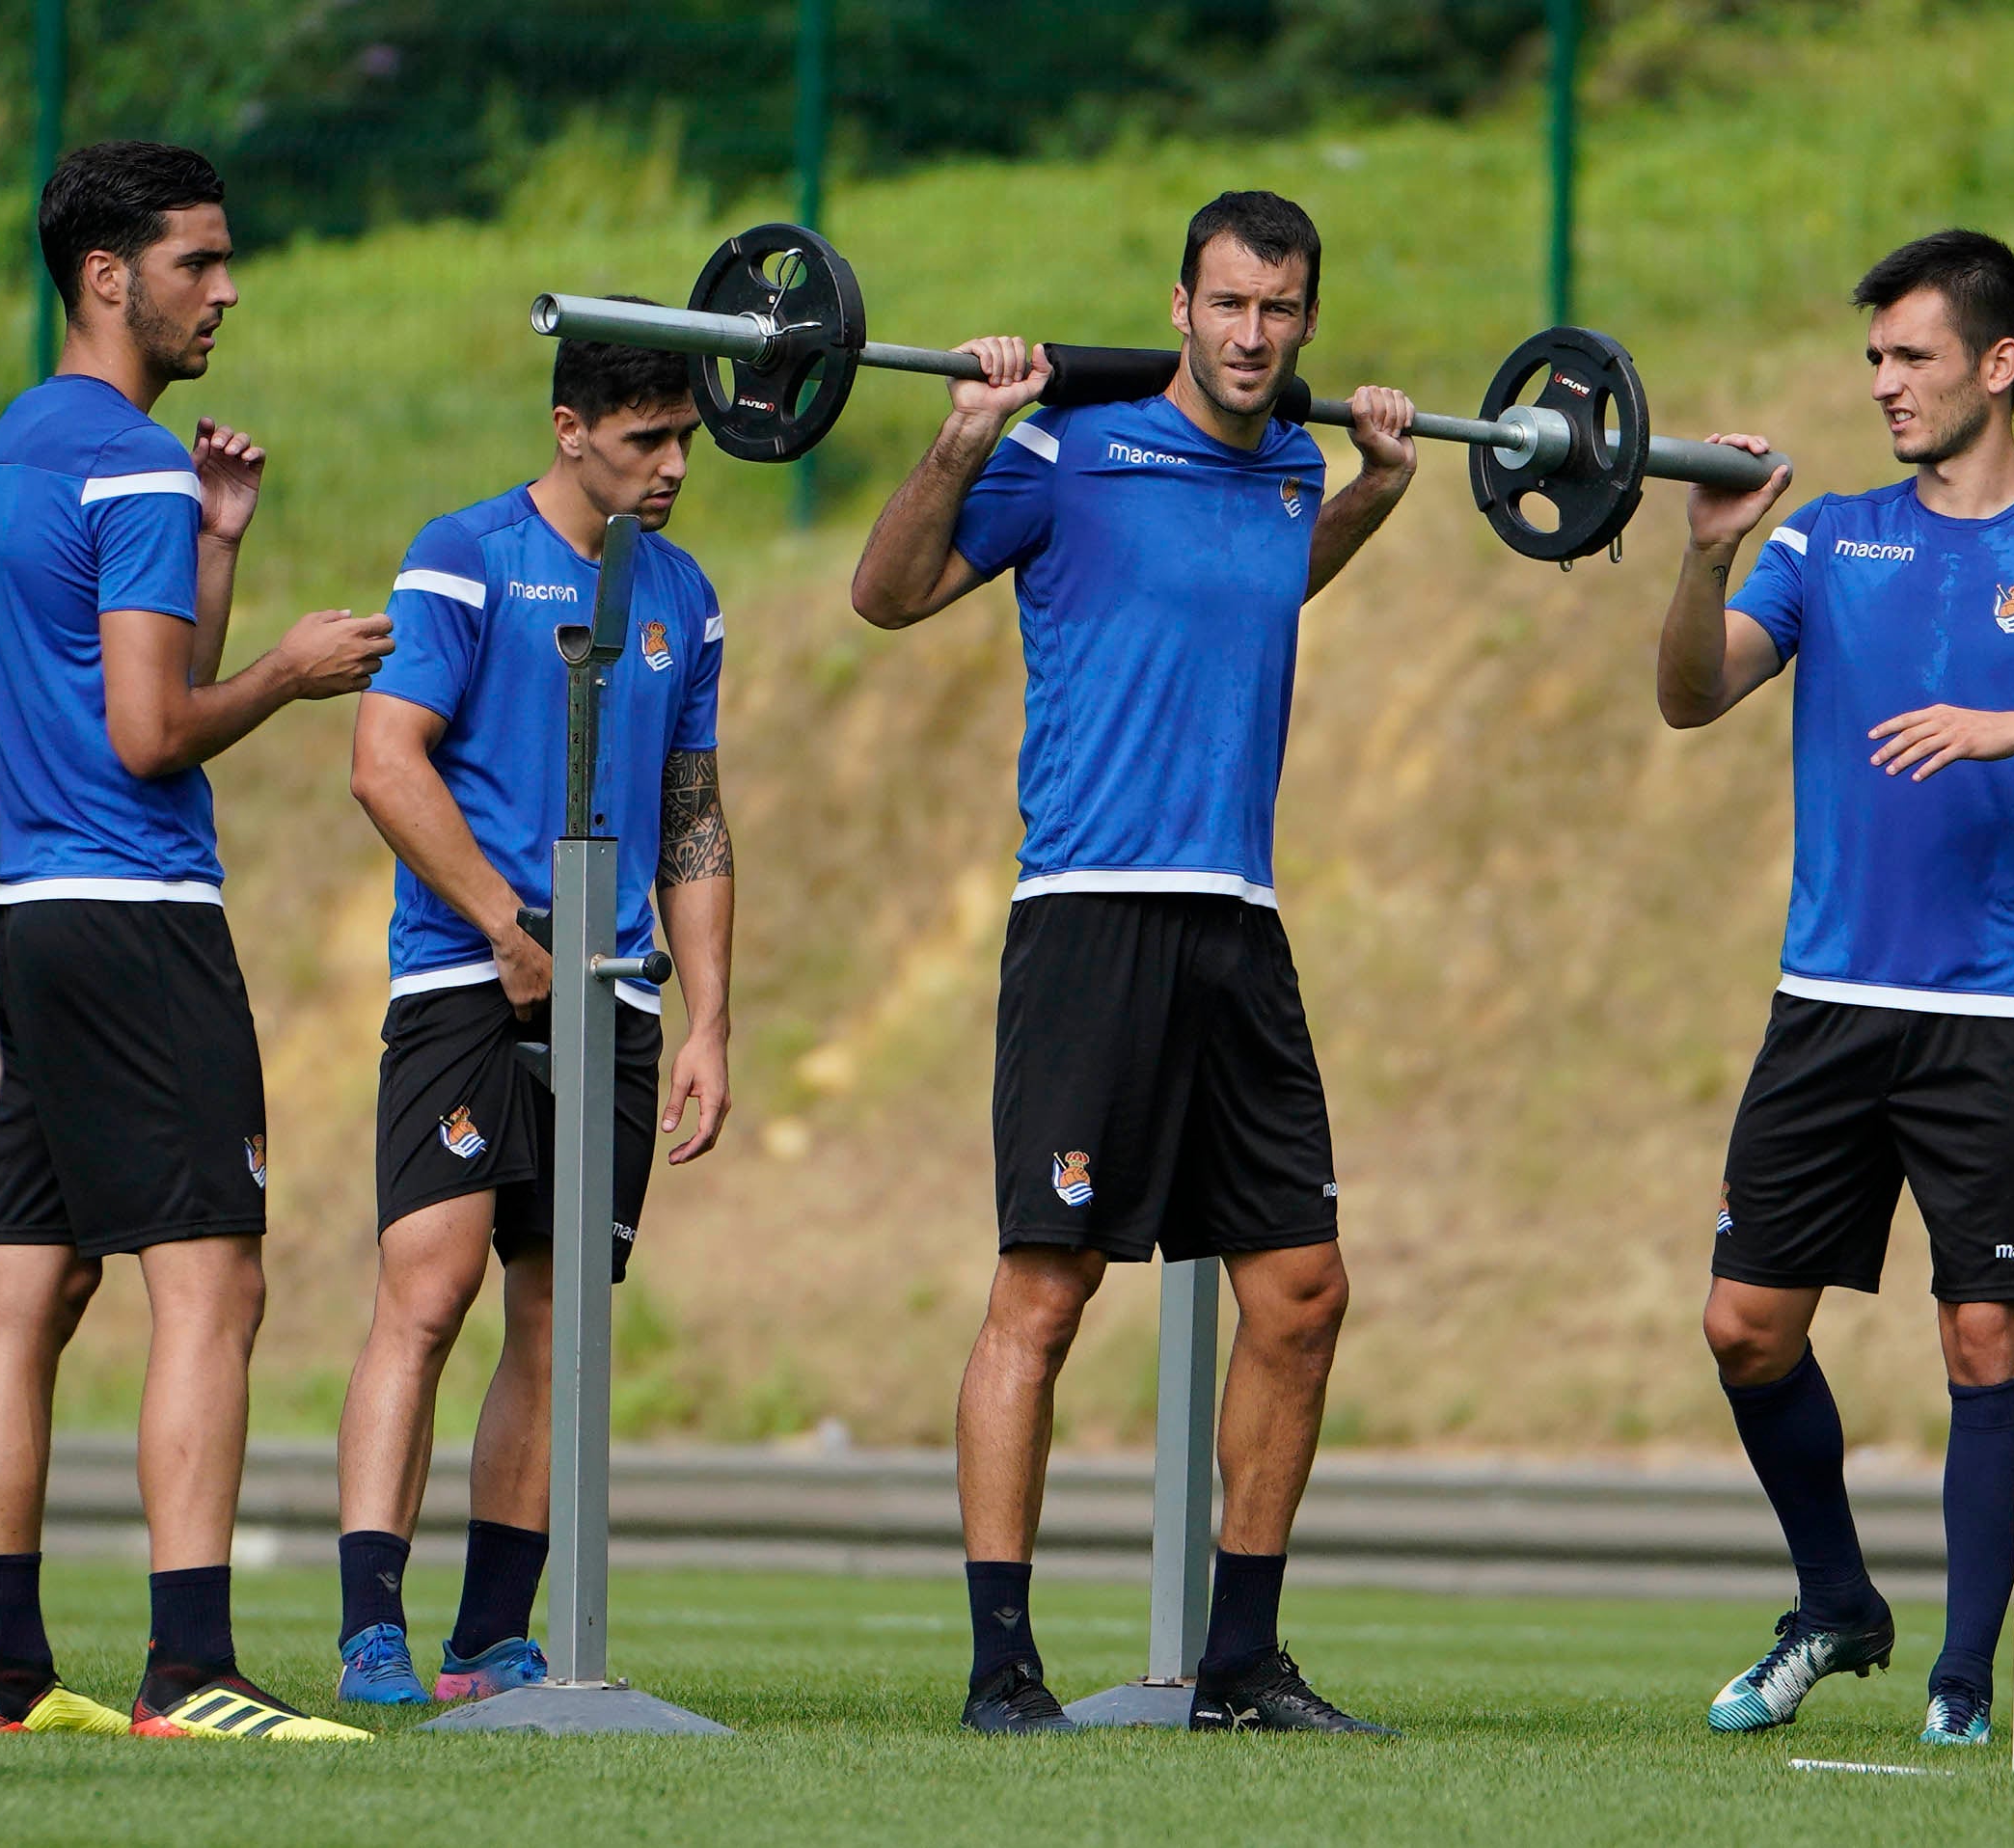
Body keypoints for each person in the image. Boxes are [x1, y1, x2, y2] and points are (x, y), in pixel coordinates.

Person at [849, 190, 1419, 1734]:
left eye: (1280, 310)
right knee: (1046, 1290)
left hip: (1240, 922)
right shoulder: (1066, 450)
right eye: (1228, 305)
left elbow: (1264, 591)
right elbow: (886, 594)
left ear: (1307, 318)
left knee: (1302, 1291)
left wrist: (1374, 485)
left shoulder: (1294, 470)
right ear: (1180, 307)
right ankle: (1000, 1668)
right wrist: (964, 435)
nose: (1252, 336)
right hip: (1092, 913)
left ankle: (1239, 1664)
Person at [1657, 229, 2014, 1749]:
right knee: (1743, 1329)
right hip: (1826, 1000)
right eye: (1876, 360)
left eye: (1913, 357)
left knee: (1984, 1341)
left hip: (1998, 1015)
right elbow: (1693, 695)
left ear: (1998, 363)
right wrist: (1707, 553)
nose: (1886, 384)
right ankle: (1837, 1605)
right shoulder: (1826, 538)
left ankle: (1966, 1687)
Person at [0, 140, 385, 1744]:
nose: (227, 287)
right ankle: (188, 1670)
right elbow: (146, 732)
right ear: (107, 279)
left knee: (25, 1294)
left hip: (27, 917)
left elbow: (86, 682)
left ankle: (7, 1677)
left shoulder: (8, 453)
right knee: (212, 1287)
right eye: (198, 260)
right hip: (137, 918)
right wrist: (284, 667)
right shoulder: (122, 456)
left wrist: (213, 547)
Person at [330, 319, 734, 1706]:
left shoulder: (686, 593)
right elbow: (386, 762)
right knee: (427, 1292)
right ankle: (370, 1627)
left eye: (683, 437)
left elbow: (693, 814)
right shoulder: (465, 556)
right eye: (645, 442)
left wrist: (712, 1019)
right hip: (464, 982)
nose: (675, 464)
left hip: (613, 1001)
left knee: (559, 1317)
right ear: (569, 433)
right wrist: (507, 929)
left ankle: (489, 1638)